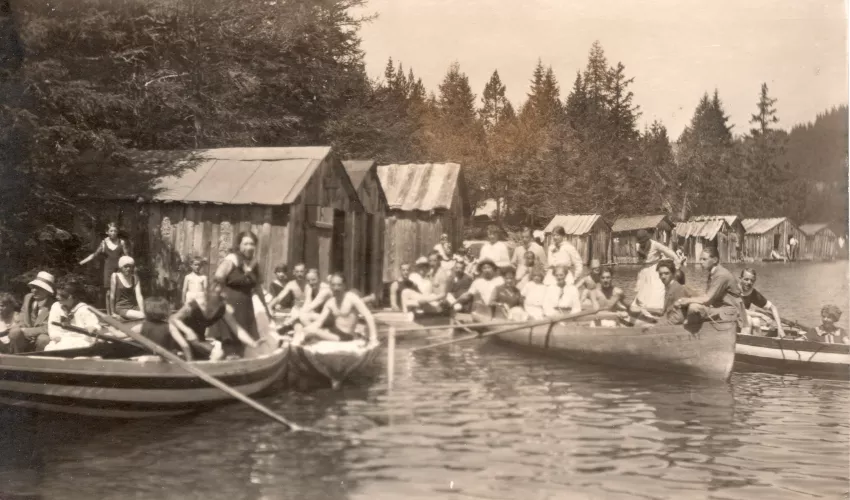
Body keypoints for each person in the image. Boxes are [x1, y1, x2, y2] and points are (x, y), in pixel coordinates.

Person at [212, 231, 270, 355]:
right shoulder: (233, 259)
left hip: (246, 308)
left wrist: (267, 310)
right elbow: (218, 276)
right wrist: (222, 295)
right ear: (239, 245)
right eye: (245, 244)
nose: (249, 247)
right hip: (231, 306)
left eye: (252, 244)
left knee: (241, 346)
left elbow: (258, 289)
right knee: (228, 345)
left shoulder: (254, 263)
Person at [170, 284, 263, 360]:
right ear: (206, 298)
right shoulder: (193, 306)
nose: (213, 308)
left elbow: (236, 328)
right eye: (210, 305)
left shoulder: (221, 308)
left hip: (198, 341)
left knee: (219, 354)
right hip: (180, 337)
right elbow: (173, 319)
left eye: (217, 304)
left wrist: (253, 343)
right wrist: (187, 331)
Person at [295, 273, 378, 346]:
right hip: (334, 331)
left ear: (344, 285)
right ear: (330, 286)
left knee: (313, 332)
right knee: (301, 328)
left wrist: (373, 338)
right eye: (333, 285)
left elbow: (368, 316)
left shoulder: (352, 298)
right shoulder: (330, 302)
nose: (336, 288)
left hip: (346, 336)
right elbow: (319, 322)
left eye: (339, 285)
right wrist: (305, 330)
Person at [674, 247, 745, 325]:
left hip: (730, 312)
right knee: (689, 305)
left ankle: (690, 330)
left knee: (694, 308)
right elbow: (708, 299)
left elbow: (707, 299)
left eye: (704, 259)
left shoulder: (721, 275)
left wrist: (686, 300)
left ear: (714, 260)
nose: (701, 262)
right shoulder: (712, 274)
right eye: (700, 259)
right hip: (721, 310)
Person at [79, 222, 130, 309]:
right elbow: (94, 255)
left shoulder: (121, 242)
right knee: (109, 292)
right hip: (108, 270)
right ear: (107, 232)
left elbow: (127, 257)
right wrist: (81, 262)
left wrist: (131, 268)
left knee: (119, 291)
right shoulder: (103, 243)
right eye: (111, 231)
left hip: (119, 269)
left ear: (117, 232)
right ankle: (109, 313)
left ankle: (117, 311)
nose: (113, 233)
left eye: (115, 231)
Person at [630, 229, 681, 316]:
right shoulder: (638, 245)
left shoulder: (655, 244)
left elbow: (668, 252)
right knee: (643, 290)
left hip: (655, 268)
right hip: (644, 269)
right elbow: (641, 258)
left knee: (657, 289)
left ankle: (658, 310)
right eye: (641, 242)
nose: (642, 244)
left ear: (647, 239)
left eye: (644, 242)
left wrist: (677, 263)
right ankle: (642, 311)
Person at [45, 278, 103, 351]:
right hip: (61, 339)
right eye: (57, 294)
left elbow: (94, 325)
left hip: (81, 340)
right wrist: (55, 336)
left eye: (62, 295)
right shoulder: (56, 306)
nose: (57, 297)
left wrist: (92, 328)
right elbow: (52, 326)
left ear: (72, 296)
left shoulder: (84, 309)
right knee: (49, 349)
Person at [7, 271, 55, 353]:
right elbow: (22, 316)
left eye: (39, 288)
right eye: (33, 287)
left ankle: (38, 362)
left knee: (43, 339)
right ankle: (16, 359)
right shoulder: (28, 298)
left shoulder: (54, 305)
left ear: (48, 292)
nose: (34, 291)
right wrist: (21, 327)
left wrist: (26, 331)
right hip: (25, 335)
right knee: (15, 332)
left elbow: (48, 328)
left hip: (40, 336)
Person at [738, 268, 785, 337]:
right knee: (748, 320)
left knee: (756, 321)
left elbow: (773, 308)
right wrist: (761, 315)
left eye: (752, 280)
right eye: (746, 279)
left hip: (740, 319)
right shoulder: (733, 289)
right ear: (740, 279)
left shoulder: (752, 293)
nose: (749, 283)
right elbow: (739, 310)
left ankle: (756, 344)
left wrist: (780, 328)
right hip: (726, 319)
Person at [110, 256, 145, 320]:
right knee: (143, 316)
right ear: (120, 267)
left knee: (152, 313)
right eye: (125, 266)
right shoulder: (115, 276)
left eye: (130, 266)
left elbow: (139, 296)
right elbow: (112, 296)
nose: (128, 268)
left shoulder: (135, 278)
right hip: (121, 308)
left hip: (133, 307)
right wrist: (112, 312)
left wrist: (142, 310)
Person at [656, 260, 691, 325]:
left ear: (673, 274)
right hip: (667, 320)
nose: (663, 277)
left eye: (666, 273)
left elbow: (679, 318)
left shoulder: (678, 288)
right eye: (660, 274)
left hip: (673, 328)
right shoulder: (669, 287)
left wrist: (657, 325)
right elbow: (667, 310)